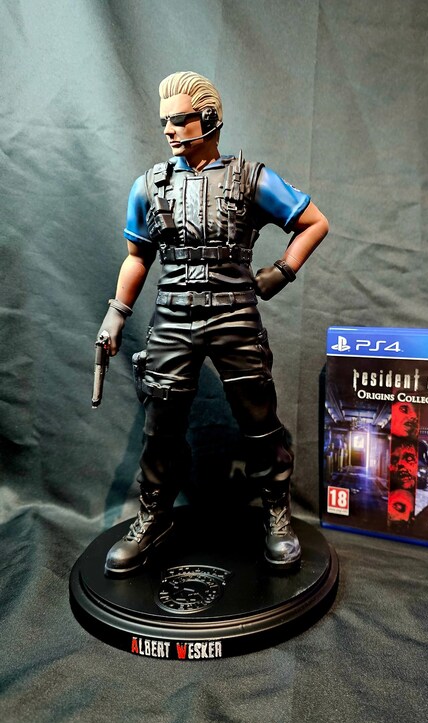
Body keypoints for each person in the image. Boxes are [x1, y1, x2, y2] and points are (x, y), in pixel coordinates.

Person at [98, 71, 328, 576]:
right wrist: (116, 314)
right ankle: (154, 515)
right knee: (161, 426)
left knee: (259, 420)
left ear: (208, 119)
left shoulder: (250, 179)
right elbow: (136, 256)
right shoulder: (149, 185)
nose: (168, 130)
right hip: (173, 315)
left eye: (179, 119)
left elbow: (314, 222)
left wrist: (282, 271)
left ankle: (277, 513)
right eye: (164, 121)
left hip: (234, 314)